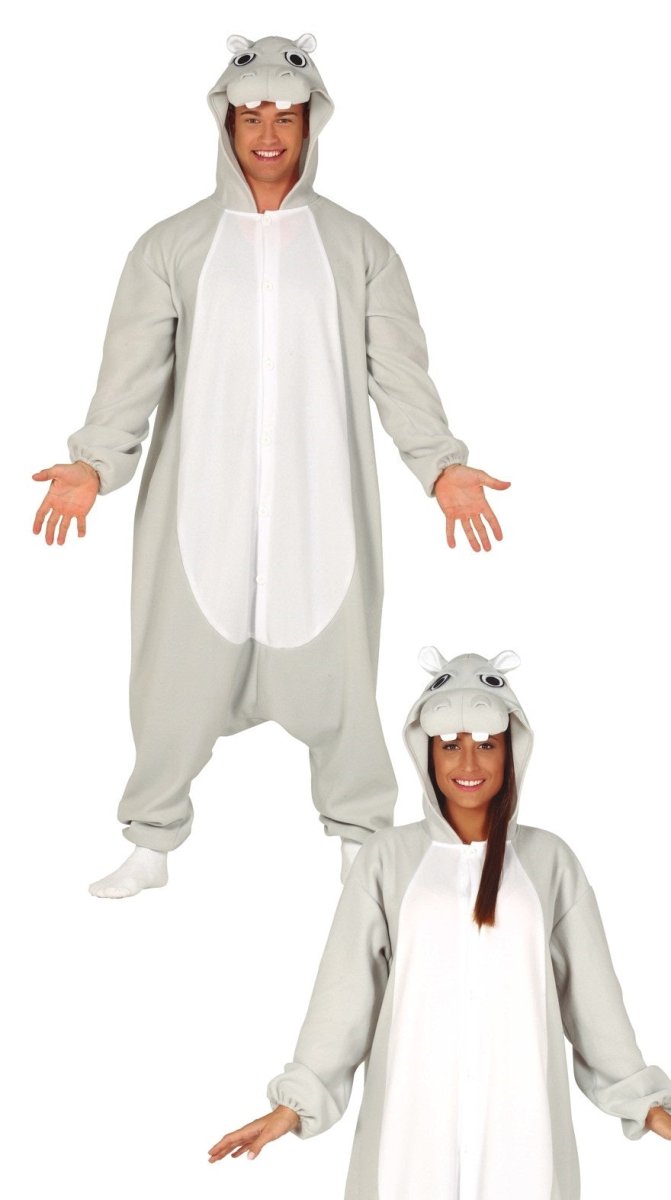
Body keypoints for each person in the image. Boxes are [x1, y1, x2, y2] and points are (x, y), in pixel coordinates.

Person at [32, 34, 509, 900]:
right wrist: (93, 465)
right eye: (250, 116)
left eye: (284, 117)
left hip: (319, 503)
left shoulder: (357, 246)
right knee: (173, 676)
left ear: (311, 123)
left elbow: (397, 370)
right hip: (199, 504)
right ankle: (152, 841)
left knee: (340, 677)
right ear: (224, 122)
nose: (267, 134)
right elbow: (130, 371)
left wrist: (441, 466)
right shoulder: (172, 245)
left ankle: (360, 837)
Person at [209, 650, 671, 1199]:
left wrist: (645, 1104)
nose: (468, 763)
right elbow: (345, 993)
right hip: (409, 1134)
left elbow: (592, 998)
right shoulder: (386, 859)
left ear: (512, 751)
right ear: (426, 751)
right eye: (450, 745)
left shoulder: (550, 862)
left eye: (486, 745)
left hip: (522, 1131)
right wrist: (294, 1105)